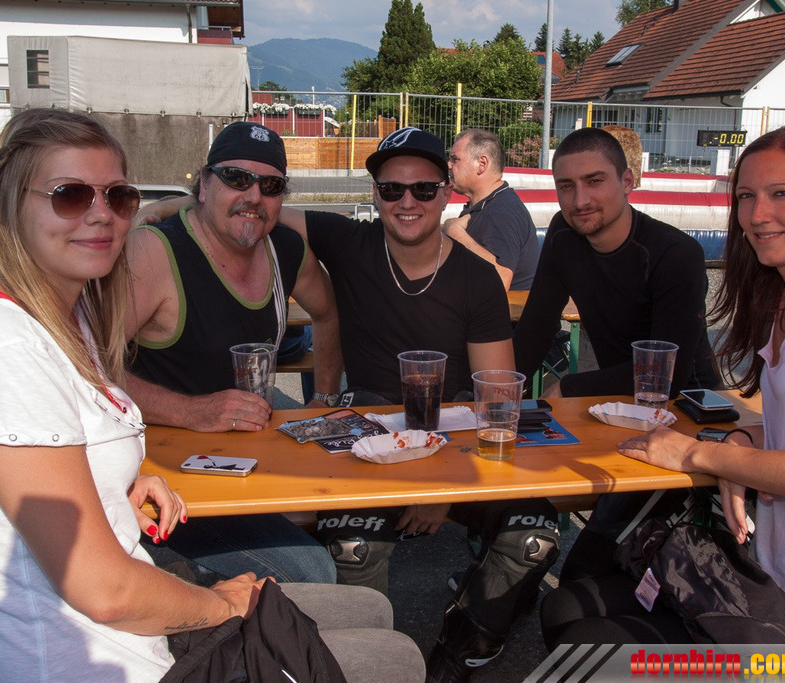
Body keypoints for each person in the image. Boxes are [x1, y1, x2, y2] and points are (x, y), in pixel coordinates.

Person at [0, 108, 425, 682]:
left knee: (372, 609)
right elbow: (105, 591)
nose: (101, 215)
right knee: (394, 655)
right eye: (69, 195)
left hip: (126, 616)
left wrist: (119, 482)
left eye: (118, 197)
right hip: (91, 660)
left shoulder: (63, 322)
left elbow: (64, 443)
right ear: (9, 203)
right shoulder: (1, 348)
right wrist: (221, 605)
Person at [542, 126, 785, 648]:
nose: (757, 214)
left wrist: (699, 454)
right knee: (565, 608)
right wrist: (743, 442)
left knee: (591, 651)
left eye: (782, 194)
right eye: (746, 196)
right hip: (778, 583)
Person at [280, 127, 561, 682]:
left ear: (446, 192)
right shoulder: (350, 241)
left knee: (534, 532)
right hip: (371, 443)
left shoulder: (477, 278)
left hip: (453, 446)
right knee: (354, 542)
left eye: (424, 189)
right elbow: (257, 207)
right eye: (392, 190)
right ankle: (367, 659)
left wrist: (442, 486)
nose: (407, 202)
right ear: (376, 194)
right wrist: (173, 205)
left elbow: (496, 397)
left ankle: (464, 642)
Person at [124, 121, 338, 584]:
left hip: (240, 439)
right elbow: (82, 365)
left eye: (271, 186)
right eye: (236, 178)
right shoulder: (154, 252)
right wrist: (189, 411)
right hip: (155, 467)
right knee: (313, 574)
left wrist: (323, 399)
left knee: (339, 500)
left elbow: (327, 314)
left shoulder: (285, 249)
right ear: (204, 185)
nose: (254, 196)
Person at [513, 126, 719, 399]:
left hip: (688, 402)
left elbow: (666, 373)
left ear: (627, 182)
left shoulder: (675, 253)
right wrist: (501, 388)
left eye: (594, 181)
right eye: (567, 186)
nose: (580, 201)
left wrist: (568, 386)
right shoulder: (564, 232)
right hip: (618, 399)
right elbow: (537, 325)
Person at [443, 128, 540, 291]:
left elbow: (500, 279)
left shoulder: (501, 212)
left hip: (510, 307)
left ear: (481, 164)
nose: (449, 164)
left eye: (455, 159)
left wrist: (455, 233)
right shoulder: (488, 204)